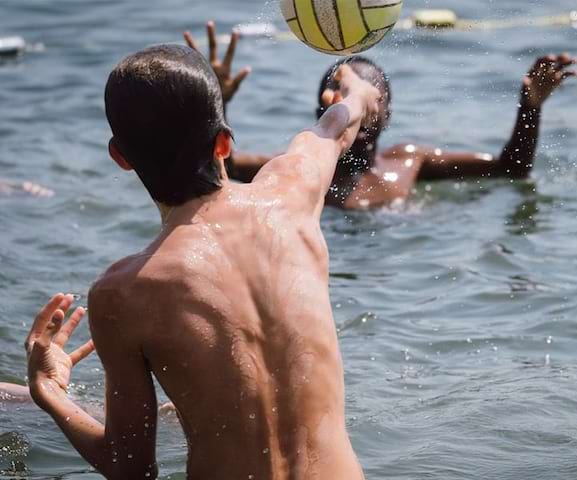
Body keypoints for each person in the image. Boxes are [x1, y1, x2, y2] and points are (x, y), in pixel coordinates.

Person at [25, 42, 380, 478]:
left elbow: (131, 468)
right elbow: (334, 129)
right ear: (224, 143)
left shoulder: (122, 292)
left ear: (120, 157)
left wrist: (48, 390)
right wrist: (358, 92)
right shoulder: (291, 198)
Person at [185, 22, 577, 209]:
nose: (356, 105)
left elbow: (511, 170)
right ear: (323, 110)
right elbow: (226, 168)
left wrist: (529, 108)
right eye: (341, 95)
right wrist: (217, 103)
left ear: (386, 113)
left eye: (370, 98)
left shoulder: (408, 161)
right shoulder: (303, 169)